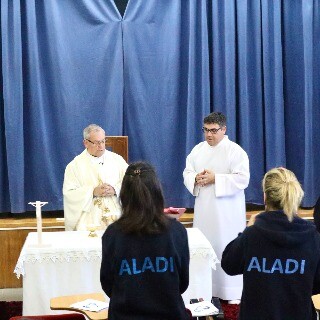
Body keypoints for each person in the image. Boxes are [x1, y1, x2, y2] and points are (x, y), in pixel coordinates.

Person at [221, 167, 320, 320]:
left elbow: (228, 264)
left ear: (265, 197)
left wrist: (246, 231)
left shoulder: (253, 234)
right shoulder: (313, 237)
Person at [100, 161, 190, 320]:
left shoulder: (112, 234)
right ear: (157, 192)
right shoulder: (177, 231)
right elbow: (182, 283)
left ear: (124, 195)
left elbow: (108, 284)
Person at [183, 111, 250, 303]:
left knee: (224, 249)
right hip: (204, 212)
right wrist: (195, 178)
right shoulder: (198, 150)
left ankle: (231, 296)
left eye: (213, 130)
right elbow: (187, 171)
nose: (208, 135)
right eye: (205, 130)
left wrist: (216, 179)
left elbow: (243, 179)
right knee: (204, 248)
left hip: (227, 215)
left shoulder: (235, 151)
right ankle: (204, 292)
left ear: (224, 130)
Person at [63, 124, 128, 231]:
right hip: (89, 215)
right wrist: (92, 192)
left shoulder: (117, 160)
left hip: (116, 212)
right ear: (86, 143)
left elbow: (131, 184)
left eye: (103, 141)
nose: (101, 146)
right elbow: (69, 194)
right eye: (97, 143)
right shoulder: (74, 166)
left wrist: (115, 189)